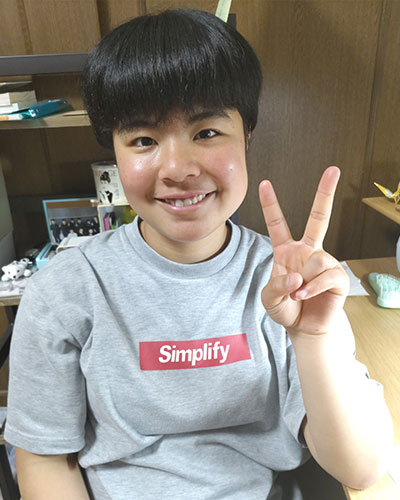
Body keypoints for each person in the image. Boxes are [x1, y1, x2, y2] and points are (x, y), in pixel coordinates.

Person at [5, 8, 394, 500]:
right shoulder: (64, 291)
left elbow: (360, 470)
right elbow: (44, 459)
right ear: (114, 153)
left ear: (246, 136)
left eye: (206, 132)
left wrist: (314, 338)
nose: (177, 168)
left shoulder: (287, 284)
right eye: (143, 140)